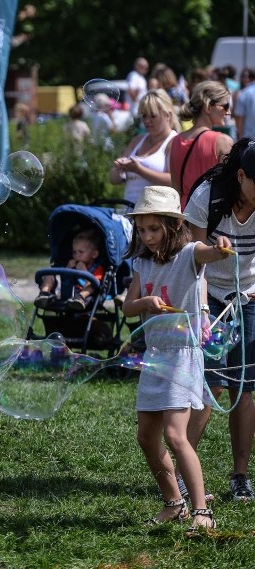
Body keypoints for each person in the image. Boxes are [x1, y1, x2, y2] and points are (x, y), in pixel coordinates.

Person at [122, 185, 227, 534]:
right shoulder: (142, 263)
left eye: (154, 228)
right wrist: (145, 303)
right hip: (155, 355)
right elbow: (127, 306)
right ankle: (173, 503)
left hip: (182, 354)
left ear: (172, 225)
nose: (147, 236)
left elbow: (208, 254)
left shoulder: (188, 254)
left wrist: (219, 249)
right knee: (146, 438)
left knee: (175, 434)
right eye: (141, 229)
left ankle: (202, 510)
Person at [184, 138, 255, 502]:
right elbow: (193, 261)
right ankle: (183, 474)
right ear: (241, 175)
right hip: (207, 293)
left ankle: (240, 477)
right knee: (209, 387)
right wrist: (204, 312)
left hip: (249, 296)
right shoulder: (208, 198)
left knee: (245, 385)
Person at [167, 81, 234, 208]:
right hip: (210, 217)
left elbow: (177, 190)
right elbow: (230, 188)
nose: (228, 112)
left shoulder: (175, 141)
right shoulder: (222, 142)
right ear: (208, 107)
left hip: (183, 213)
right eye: (225, 106)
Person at [109, 89, 178, 206]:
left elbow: (174, 181)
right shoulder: (138, 140)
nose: (147, 121)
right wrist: (118, 168)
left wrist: (139, 170)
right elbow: (114, 180)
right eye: (144, 116)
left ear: (168, 115)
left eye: (153, 116)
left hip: (157, 214)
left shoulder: (174, 141)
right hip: (130, 212)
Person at [34, 228, 105, 311]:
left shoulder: (98, 269)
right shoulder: (71, 264)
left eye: (81, 252)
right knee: (49, 274)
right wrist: (68, 269)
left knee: (92, 284)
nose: (76, 255)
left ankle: (80, 298)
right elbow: (62, 279)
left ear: (94, 254)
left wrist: (84, 272)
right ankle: (44, 293)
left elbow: (97, 284)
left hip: (84, 296)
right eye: (74, 252)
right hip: (64, 291)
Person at [234, 70, 255, 139]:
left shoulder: (245, 93)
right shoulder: (242, 92)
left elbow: (239, 117)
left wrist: (240, 136)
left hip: (249, 138)